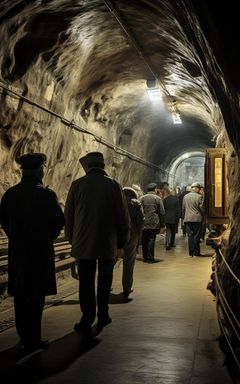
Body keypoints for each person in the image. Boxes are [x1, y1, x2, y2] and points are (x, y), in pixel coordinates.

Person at [0, 153, 65, 354]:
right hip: (40, 251)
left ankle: (23, 335)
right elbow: (58, 222)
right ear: (40, 169)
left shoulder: (10, 194)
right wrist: (47, 238)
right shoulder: (46, 194)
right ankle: (33, 338)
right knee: (36, 296)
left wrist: (15, 237)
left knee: (21, 293)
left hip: (18, 251)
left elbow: (4, 221)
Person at [64, 152, 130, 336]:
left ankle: (86, 319)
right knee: (104, 281)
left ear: (88, 167)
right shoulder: (114, 185)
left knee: (85, 283)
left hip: (83, 243)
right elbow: (122, 217)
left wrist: (72, 239)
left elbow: (68, 216)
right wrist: (121, 242)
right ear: (102, 166)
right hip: (107, 242)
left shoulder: (77, 185)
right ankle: (103, 314)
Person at [122, 187, 144, 296]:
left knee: (110, 261)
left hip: (116, 235)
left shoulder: (116, 201)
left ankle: (108, 286)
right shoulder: (135, 203)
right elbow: (141, 220)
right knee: (129, 262)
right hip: (132, 234)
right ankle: (127, 287)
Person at [140, 182, 165, 263]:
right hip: (154, 223)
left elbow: (139, 210)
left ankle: (145, 257)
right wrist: (162, 225)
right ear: (155, 189)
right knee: (151, 239)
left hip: (144, 223)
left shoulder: (142, 198)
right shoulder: (157, 198)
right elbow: (162, 212)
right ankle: (150, 258)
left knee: (144, 240)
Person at [182, 182, 204, 257]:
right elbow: (201, 208)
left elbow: (183, 208)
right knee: (196, 236)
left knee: (190, 236)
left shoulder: (185, 197)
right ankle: (196, 253)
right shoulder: (199, 197)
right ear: (197, 188)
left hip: (187, 219)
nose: (200, 190)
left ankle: (190, 253)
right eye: (199, 188)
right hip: (197, 219)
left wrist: (183, 219)